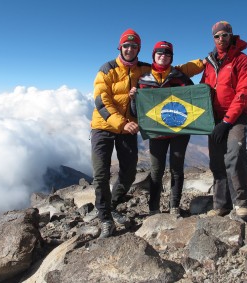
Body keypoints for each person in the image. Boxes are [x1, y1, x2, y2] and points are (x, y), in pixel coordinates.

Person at [130, 41, 204, 216]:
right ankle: (153, 209)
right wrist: (134, 99)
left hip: (179, 132)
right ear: (154, 56)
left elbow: (192, 101)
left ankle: (174, 206)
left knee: (176, 169)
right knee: (156, 171)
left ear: (172, 57)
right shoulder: (144, 80)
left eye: (167, 54)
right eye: (159, 53)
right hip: (157, 133)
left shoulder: (181, 78)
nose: (163, 56)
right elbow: (136, 112)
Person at [91, 29, 152, 238]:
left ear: (138, 49)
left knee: (129, 172)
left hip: (129, 127)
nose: (130, 49)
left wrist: (202, 63)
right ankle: (105, 217)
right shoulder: (107, 69)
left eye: (134, 46)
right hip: (104, 126)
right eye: (126, 45)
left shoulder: (145, 70)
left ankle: (113, 205)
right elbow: (101, 101)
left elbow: (167, 71)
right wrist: (122, 123)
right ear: (120, 47)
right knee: (101, 175)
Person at [200, 21, 247, 218]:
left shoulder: (242, 61)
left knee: (234, 154)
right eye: (217, 36)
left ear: (231, 35)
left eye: (225, 35)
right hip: (214, 118)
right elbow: (202, 89)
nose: (221, 39)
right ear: (213, 38)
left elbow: (243, 93)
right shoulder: (209, 62)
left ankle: (241, 203)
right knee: (217, 161)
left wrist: (226, 122)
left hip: (235, 116)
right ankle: (221, 205)